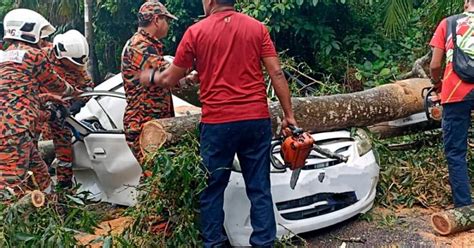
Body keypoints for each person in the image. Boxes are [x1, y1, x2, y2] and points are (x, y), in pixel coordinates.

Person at [141, 0, 297, 246]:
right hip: (255, 119)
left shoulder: (196, 32)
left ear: (211, 1)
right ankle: (264, 243)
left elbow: (170, 78)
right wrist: (289, 116)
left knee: (212, 190)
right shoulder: (257, 28)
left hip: (218, 123)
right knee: (259, 189)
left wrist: (149, 76)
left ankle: (214, 244)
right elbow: (276, 73)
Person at [0, 8, 75, 196]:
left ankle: (52, 208)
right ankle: (8, 223)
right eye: (40, 36)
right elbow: (55, 83)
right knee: (10, 187)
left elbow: (15, 96)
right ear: (29, 31)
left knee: (40, 173)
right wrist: (72, 91)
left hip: (13, 129)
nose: (43, 41)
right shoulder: (33, 55)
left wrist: (48, 98)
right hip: (14, 131)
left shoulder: (3, 57)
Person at [121, 1, 178, 164]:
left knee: (159, 178)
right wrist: (193, 60)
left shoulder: (150, 46)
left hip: (153, 122)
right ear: (156, 20)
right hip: (142, 124)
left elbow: (162, 78)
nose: (168, 25)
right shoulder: (139, 46)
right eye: (166, 20)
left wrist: (185, 79)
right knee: (155, 177)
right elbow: (168, 71)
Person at [430, 0, 474, 208]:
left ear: (466, 3)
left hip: (456, 92)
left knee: (456, 152)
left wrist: (438, 84)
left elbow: (435, 64)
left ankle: (464, 209)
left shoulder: (448, 23)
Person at [40, 29, 92, 188]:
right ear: (62, 56)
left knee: (64, 150)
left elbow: (88, 88)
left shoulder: (78, 67)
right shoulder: (41, 58)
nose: (78, 67)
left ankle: (64, 187)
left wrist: (77, 104)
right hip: (38, 112)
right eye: (74, 63)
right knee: (35, 151)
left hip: (62, 114)